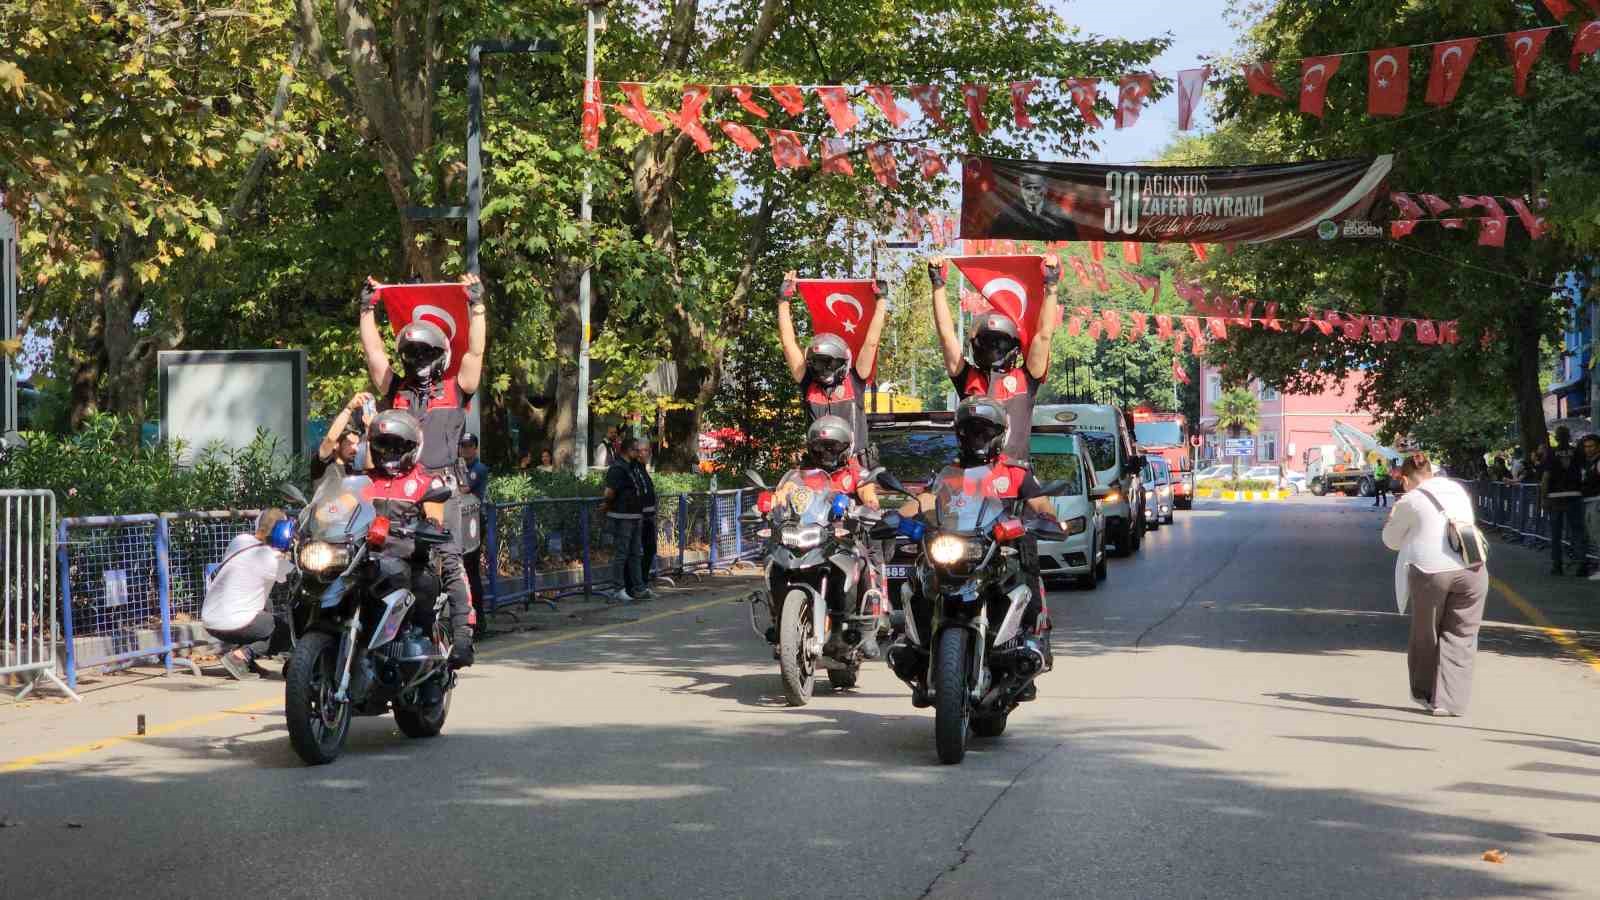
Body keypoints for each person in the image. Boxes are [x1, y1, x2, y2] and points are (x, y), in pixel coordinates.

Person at [359, 271, 486, 669]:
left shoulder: (455, 387)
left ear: (442, 355)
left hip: (439, 489)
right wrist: (366, 309)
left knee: (448, 559)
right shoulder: (396, 388)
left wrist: (476, 305)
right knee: (358, 553)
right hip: (392, 485)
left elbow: (476, 354)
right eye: (412, 354)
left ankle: (464, 634)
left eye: (425, 354)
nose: (418, 361)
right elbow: (374, 355)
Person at [928, 253, 1060, 463]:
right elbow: (946, 337)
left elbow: (1044, 335)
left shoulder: (1026, 378)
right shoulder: (968, 377)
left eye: (1000, 343)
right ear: (975, 345)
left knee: (1039, 498)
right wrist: (938, 286)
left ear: (1014, 347)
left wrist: (1051, 286)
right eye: (987, 342)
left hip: (1015, 477)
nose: (993, 349)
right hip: (972, 476)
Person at [1382, 456, 1488, 717]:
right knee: (1462, 635)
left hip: (1431, 572)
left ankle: (1427, 694)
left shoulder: (1410, 500)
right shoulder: (1456, 489)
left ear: (1405, 479)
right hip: (1473, 568)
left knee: (1426, 634)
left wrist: (1393, 516)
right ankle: (1451, 702)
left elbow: (1391, 541)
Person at [776, 271, 887, 457]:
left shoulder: (855, 378)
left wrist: (881, 302)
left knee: (868, 486)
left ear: (843, 361)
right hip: (817, 472)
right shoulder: (809, 380)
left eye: (829, 362)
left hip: (855, 469)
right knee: (788, 487)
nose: (824, 369)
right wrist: (783, 301)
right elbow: (787, 344)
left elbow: (871, 342)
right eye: (819, 363)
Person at [202, 509, 295, 680]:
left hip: (210, 618)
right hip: (233, 622)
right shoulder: (273, 560)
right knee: (285, 633)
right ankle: (241, 656)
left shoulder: (240, 541)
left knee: (267, 605)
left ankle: (248, 662)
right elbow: (292, 573)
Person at [601, 436, 649, 602]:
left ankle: (639, 588)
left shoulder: (633, 466)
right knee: (622, 553)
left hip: (635, 516)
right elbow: (609, 492)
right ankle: (618, 589)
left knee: (636, 553)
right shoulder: (618, 468)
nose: (639, 453)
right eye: (636, 450)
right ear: (628, 451)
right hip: (622, 517)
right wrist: (607, 505)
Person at [1541, 426, 1588, 576]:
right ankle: (1581, 564)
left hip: (1555, 498)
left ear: (1556, 437)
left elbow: (1546, 477)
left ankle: (1557, 565)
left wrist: (1544, 497)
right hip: (1574, 496)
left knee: (1556, 533)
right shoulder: (1577, 452)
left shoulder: (1551, 453)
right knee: (1577, 532)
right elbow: (1584, 472)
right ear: (1569, 437)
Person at [987, 171, 1079, 240]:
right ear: (1021, 189)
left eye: (1036, 188)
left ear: (1045, 189)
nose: (1032, 192)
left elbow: (1073, 243)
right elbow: (993, 241)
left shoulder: (1059, 216)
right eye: (1028, 188)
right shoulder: (1007, 215)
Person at [460, 433, 489, 623]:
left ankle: (479, 619)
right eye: (463, 446)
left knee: (471, 572)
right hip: (460, 523)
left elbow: (463, 488)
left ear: (475, 448)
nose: (465, 449)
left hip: (473, 524)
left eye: (469, 446)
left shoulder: (478, 469)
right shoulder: (459, 467)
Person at [311, 391, 372, 482]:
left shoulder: (354, 473)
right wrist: (349, 408)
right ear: (336, 444)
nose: (356, 448)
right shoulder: (322, 465)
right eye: (350, 444)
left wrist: (369, 432)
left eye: (356, 444)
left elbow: (370, 471)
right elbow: (330, 439)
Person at [634, 441, 661, 589]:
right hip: (639, 517)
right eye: (643, 450)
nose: (646, 453)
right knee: (637, 551)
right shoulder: (635, 469)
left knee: (650, 549)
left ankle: (643, 580)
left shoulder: (643, 469)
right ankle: (636, 583)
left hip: (648, 516)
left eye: (648, 450)